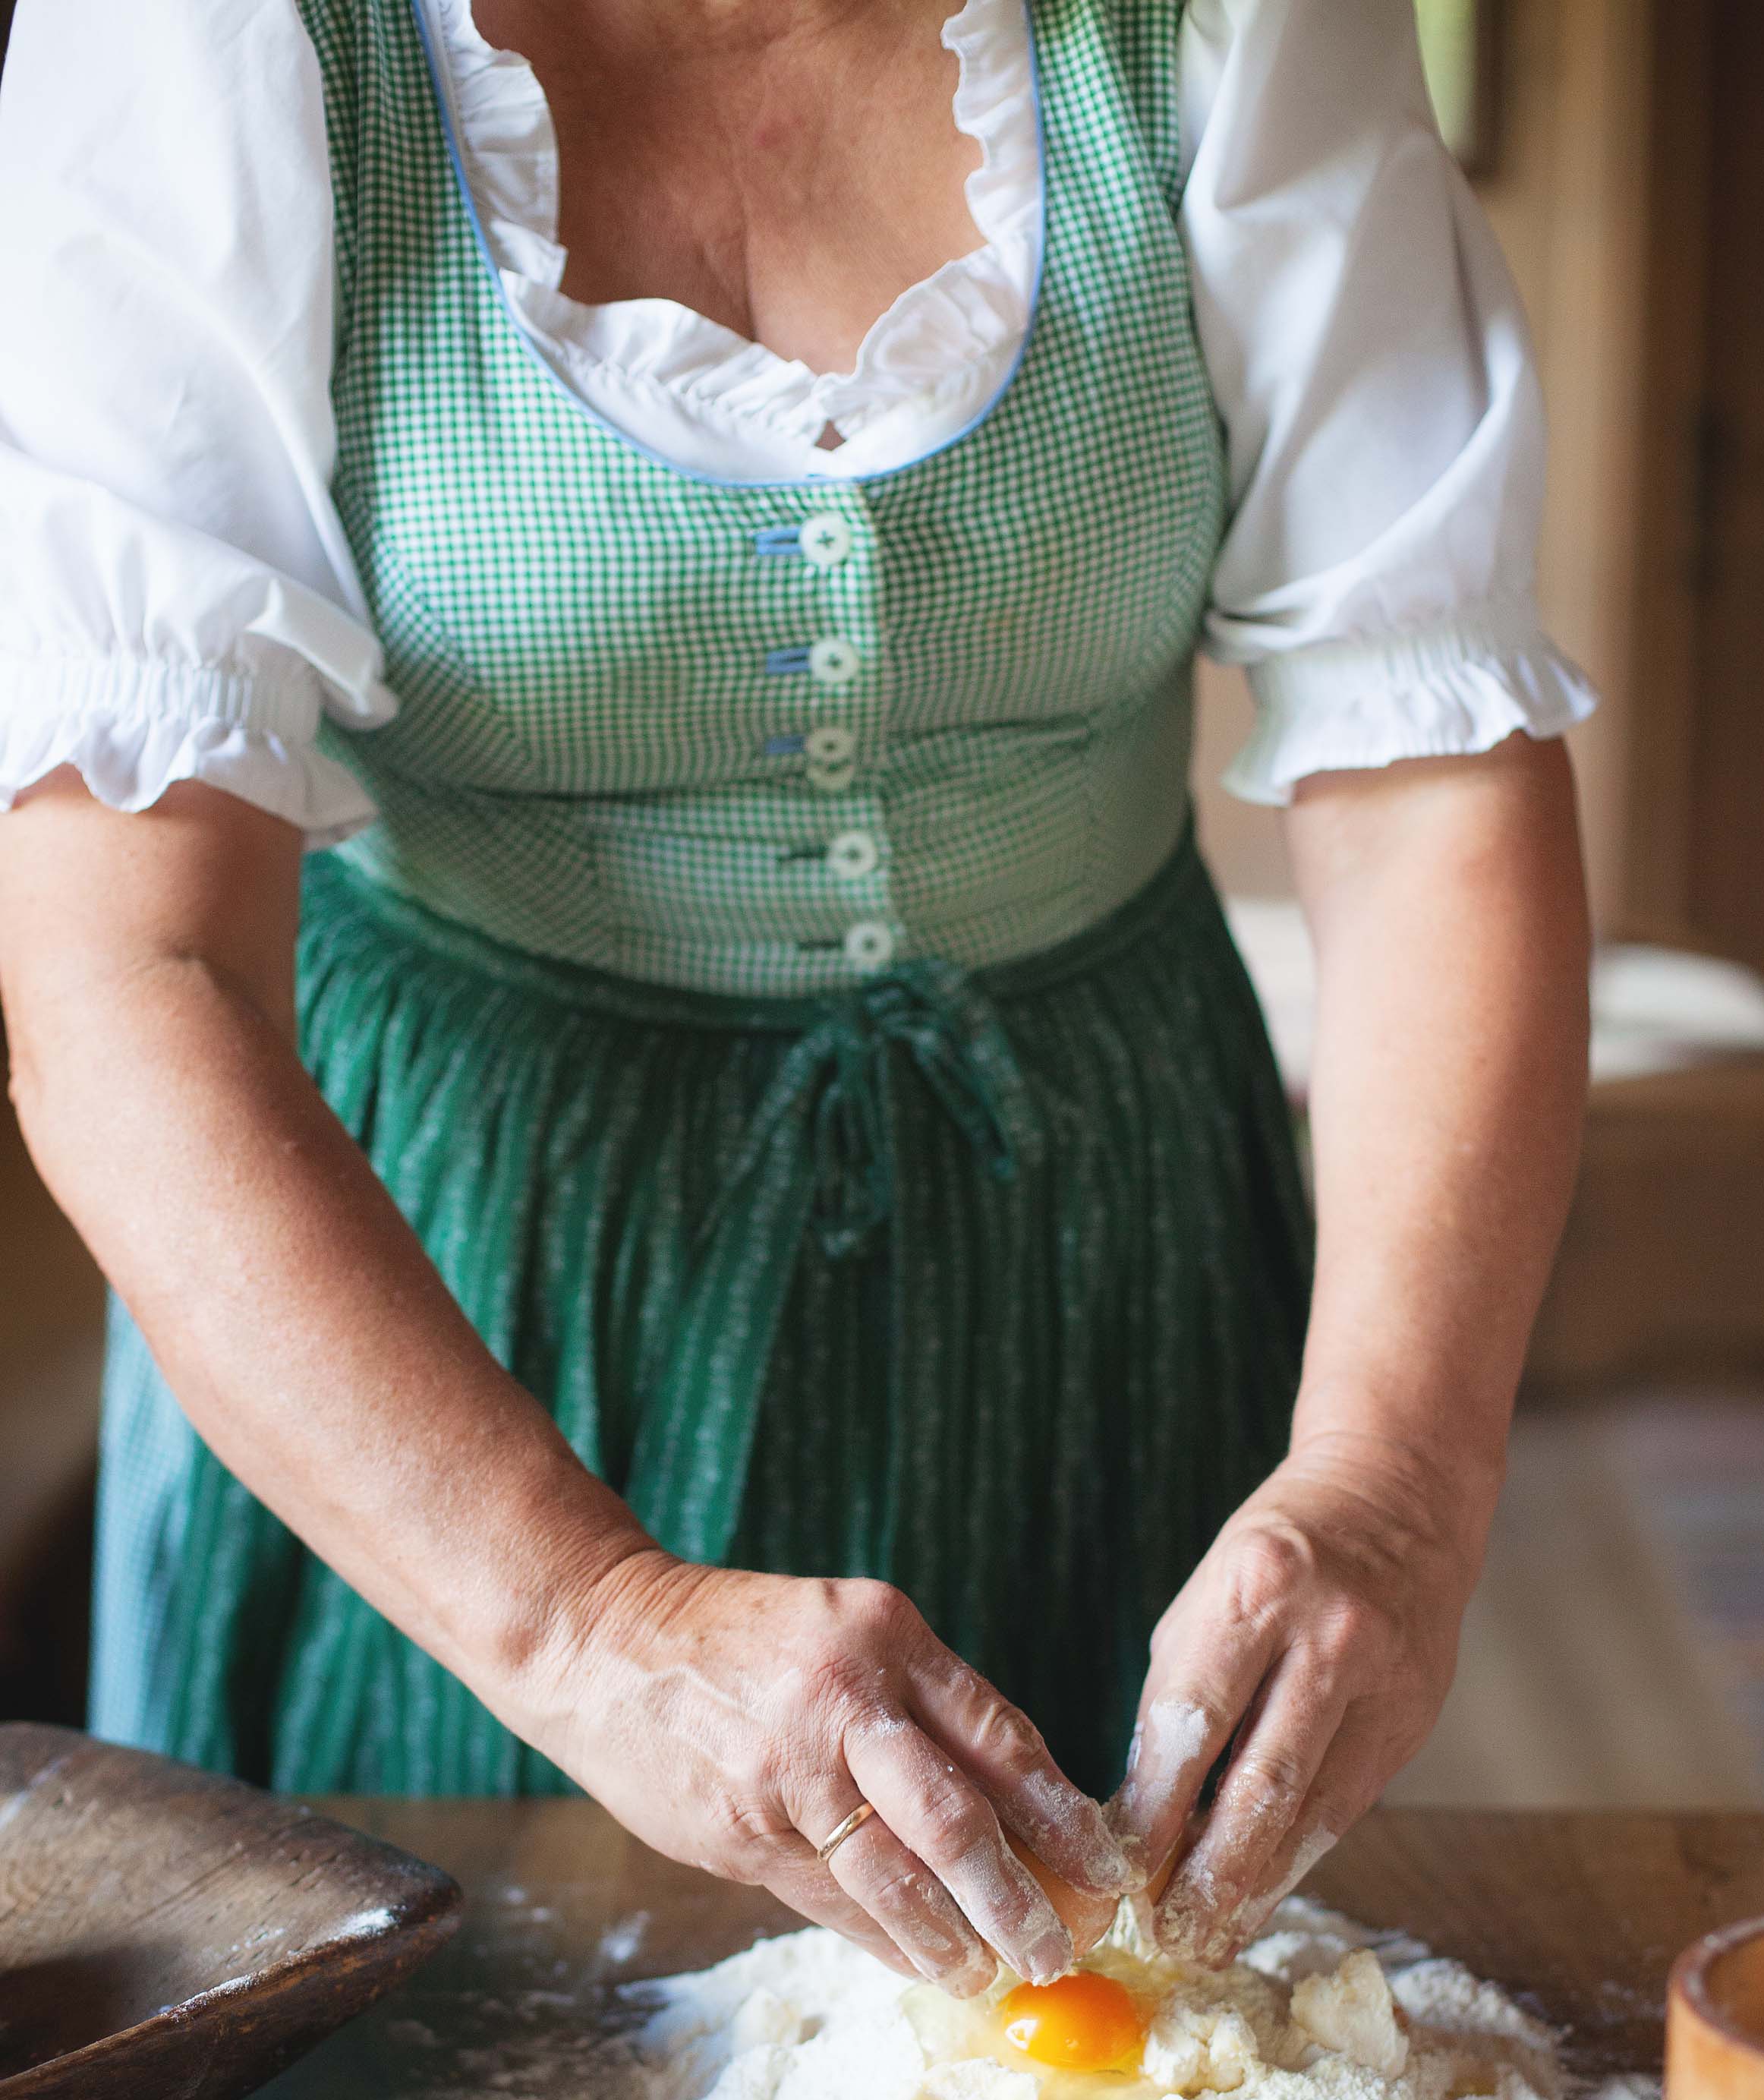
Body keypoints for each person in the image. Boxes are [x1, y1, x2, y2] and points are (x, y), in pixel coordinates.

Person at [0, 0, 1592, 1998]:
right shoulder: (216, 43)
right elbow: (126, 963)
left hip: (1106, 1251)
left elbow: (1435, 782)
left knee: (1131, 2098)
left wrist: (1393, 1488)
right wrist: (584, 1621)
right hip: (452, 1282)